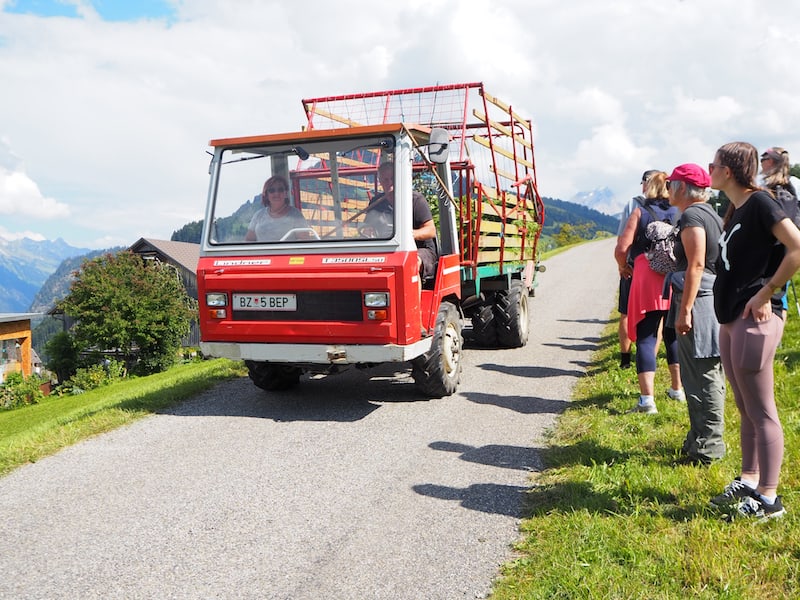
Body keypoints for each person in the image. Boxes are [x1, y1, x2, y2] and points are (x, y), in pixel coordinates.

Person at [708, 141, 800, 521]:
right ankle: (749, 479)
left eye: (712, 164)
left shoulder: (762, 203)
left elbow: (796, 248)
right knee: (745, 408)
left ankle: (769, 498)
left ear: (727, 171)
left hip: (756, 316)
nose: (708, 169)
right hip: (732, 318)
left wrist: (766, 293)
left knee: (762, 411)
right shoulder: (736, 207)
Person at [666, 164, 726, 465]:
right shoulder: (711, 213)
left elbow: (697, 264)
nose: (667, 189)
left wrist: (685, 309)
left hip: (699, 301)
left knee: (702, 375)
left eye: (670, 183)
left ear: (682, 187)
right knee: (702, 373)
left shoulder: (692, 216)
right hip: (709, 298)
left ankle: (707, 449)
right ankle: (698, 440)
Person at [615, 171, 683, 414]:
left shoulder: (640, 211)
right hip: (674, 278)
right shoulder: (679, 212)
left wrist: (624, 267)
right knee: (673, 334)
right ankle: (677, 389)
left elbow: (622, 247)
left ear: (648, 187)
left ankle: (647, 401)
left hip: (647, 277)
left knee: (647, 336)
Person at [615, 170, 659, 369]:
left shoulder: (634, 206)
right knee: (657, 316)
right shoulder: (673, 206)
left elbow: (622, 242)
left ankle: (625, 360)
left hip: (634, 268)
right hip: (661, 271)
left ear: (645, 184)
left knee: (626, 313)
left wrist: (622, 266)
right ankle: (650, 359)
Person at [365, 161, 438, 280]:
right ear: (380, 182)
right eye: (385, 179)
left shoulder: (415, 200)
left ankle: (412, 298)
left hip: (420, 249)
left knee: (411, 262)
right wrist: (368, 232)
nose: (389, 183)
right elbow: (366, 228)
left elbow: (431, 230)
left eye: (393, 178)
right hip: (385, 250)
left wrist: (407, 235)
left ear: (400, 178)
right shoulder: (375, 203)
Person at [245, 175, 309, 242]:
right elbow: (249, 240)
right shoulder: (258, 215)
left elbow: (305, 242)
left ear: (286, 193)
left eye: (280, 190)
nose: (276, 193)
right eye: (272, 190)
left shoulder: (296, 215)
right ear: (266, 195)